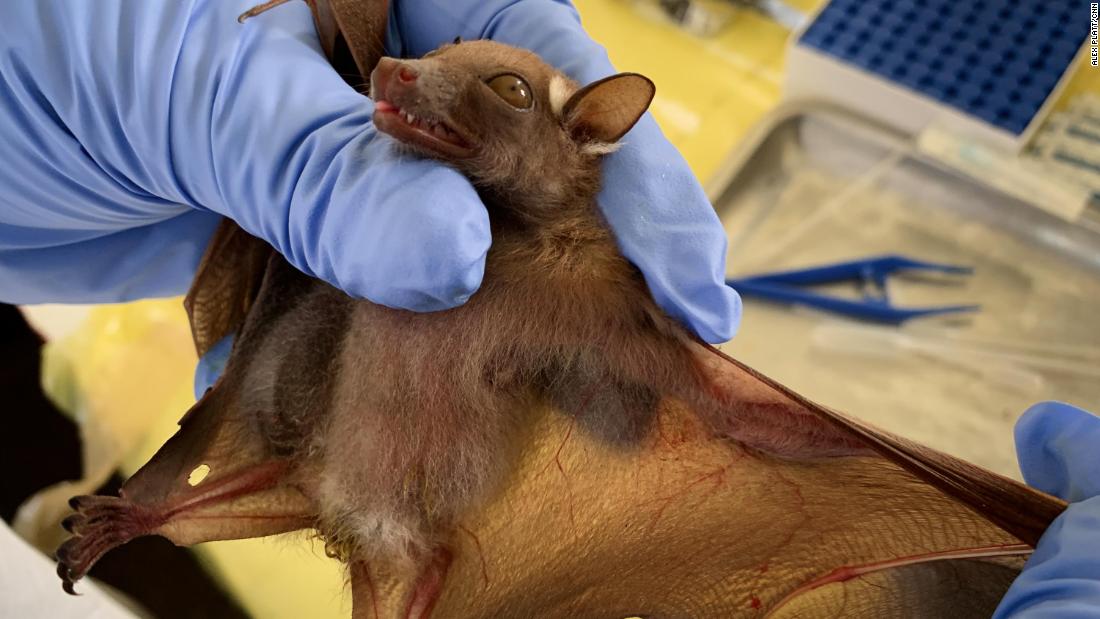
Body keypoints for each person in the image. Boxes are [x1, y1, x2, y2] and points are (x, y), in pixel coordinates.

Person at [0, 2, 1094, 616]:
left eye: (505, 90)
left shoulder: (589, 281)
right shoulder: (348, 233)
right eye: (421, 65)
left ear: (585, 133)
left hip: (430, 526)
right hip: (341, 466)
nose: (417, 77)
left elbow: (761, 421)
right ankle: (156, 510)